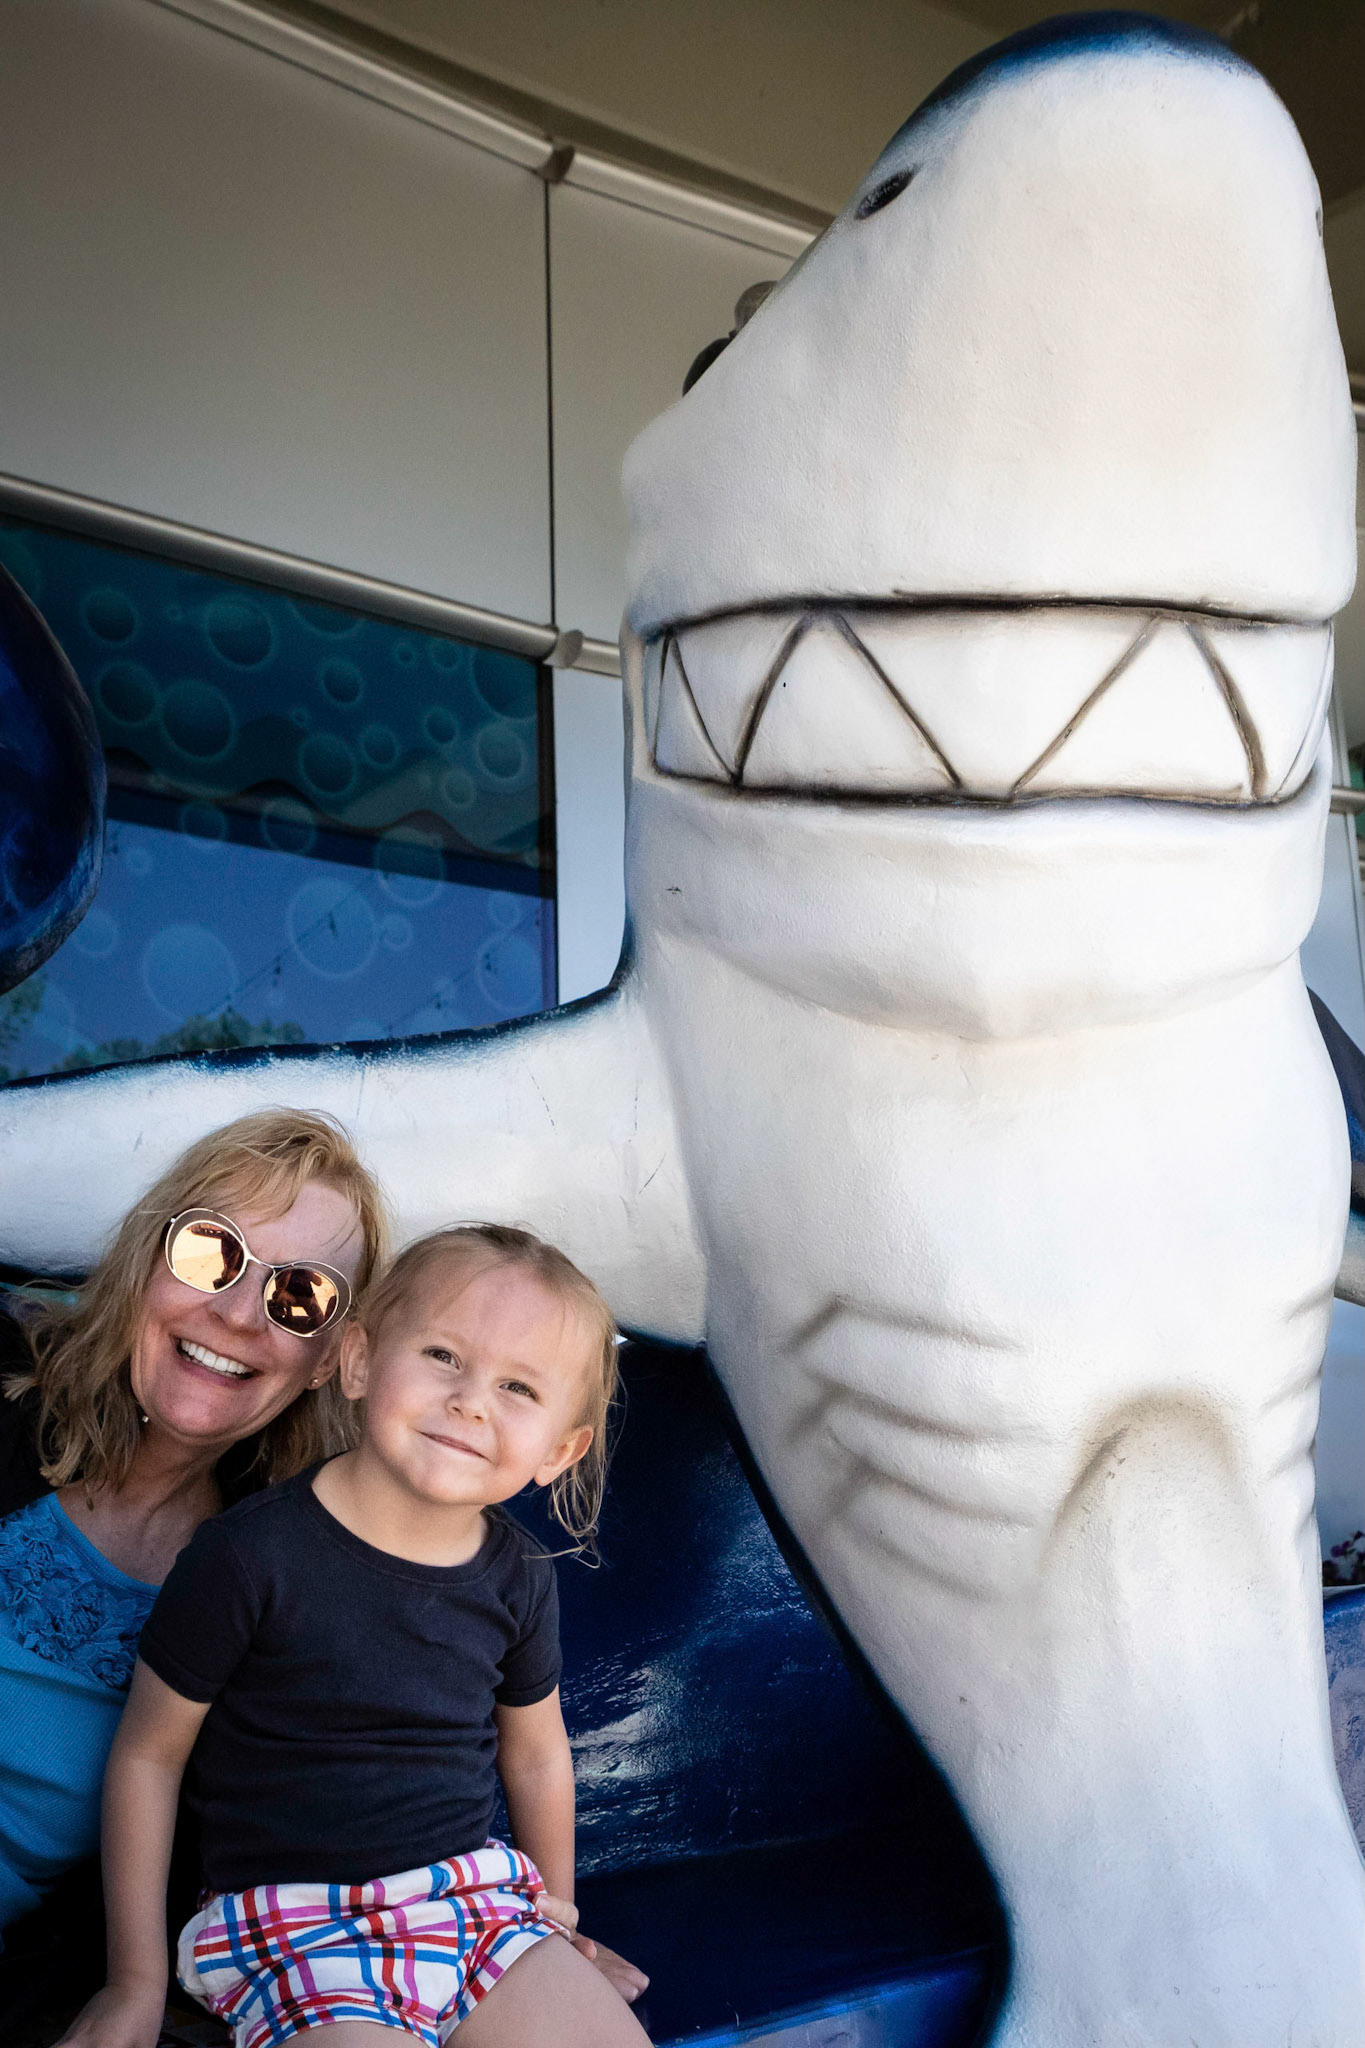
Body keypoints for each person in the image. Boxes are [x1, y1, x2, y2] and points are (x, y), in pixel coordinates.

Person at [63, 1224, 651, 2048]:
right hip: (299, 1928)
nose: (471, 1400)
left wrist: (554, 1915)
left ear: (561, 1449)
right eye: (443, 1356)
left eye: (519, 1387)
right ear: (359, 1360)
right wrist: (133, 1980)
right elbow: (147, 1756)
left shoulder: (519, 1576)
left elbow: (536, 1754)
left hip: (473, 1906)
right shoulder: (247, 1557)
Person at [0, 1109, 387, 2017]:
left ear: (332, 1358)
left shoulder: (271, 1589)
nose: (236, 1312)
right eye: (211, 1253)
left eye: (301, 1297)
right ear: (147, 1259)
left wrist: (534, 1933)